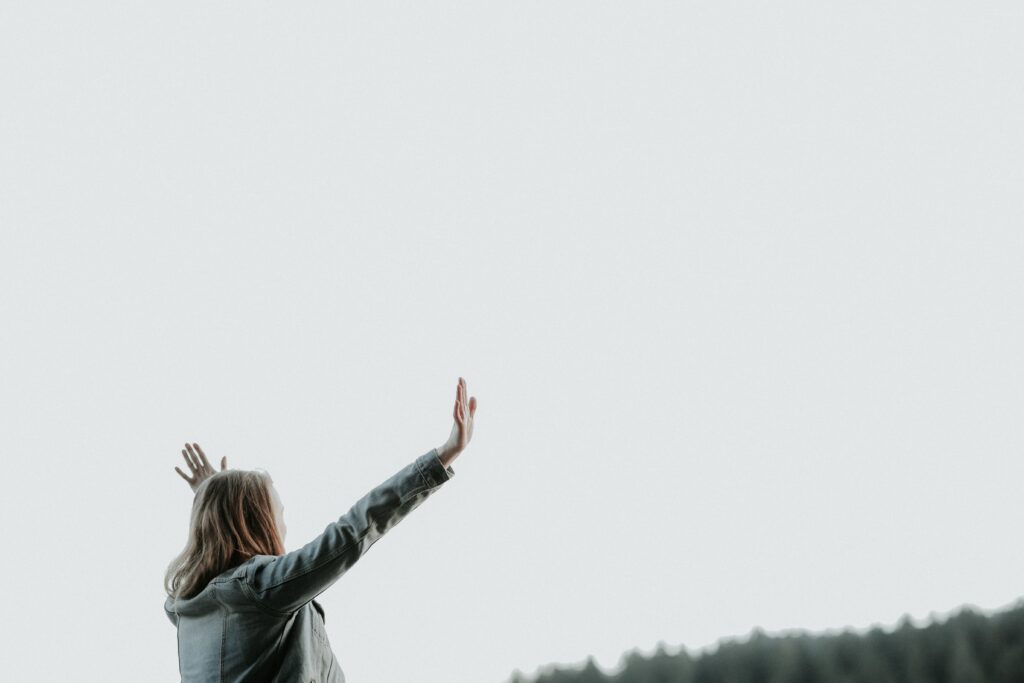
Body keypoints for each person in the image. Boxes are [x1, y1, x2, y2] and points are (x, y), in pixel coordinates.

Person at [164, 377, 478, 682]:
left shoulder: (187, 610)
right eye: (279, 514)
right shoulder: (264, 588)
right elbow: (356, 527)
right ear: (257, 522)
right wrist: (443, 457)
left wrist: (214, 497)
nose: (284, 527)